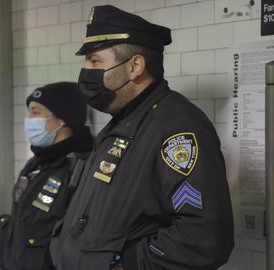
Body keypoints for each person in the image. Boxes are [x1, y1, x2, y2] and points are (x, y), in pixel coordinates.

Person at [49, 5, 235, 270]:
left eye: (94, 61)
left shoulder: (175, 127)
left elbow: (204, 238)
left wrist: (123, 263)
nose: (86, 70)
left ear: (135, 66)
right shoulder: (122, 123)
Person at [0, 82, 93, 270]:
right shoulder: (37, 163)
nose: (28, 119)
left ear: (62, 119)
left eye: (36, 112)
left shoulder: (81, 168)